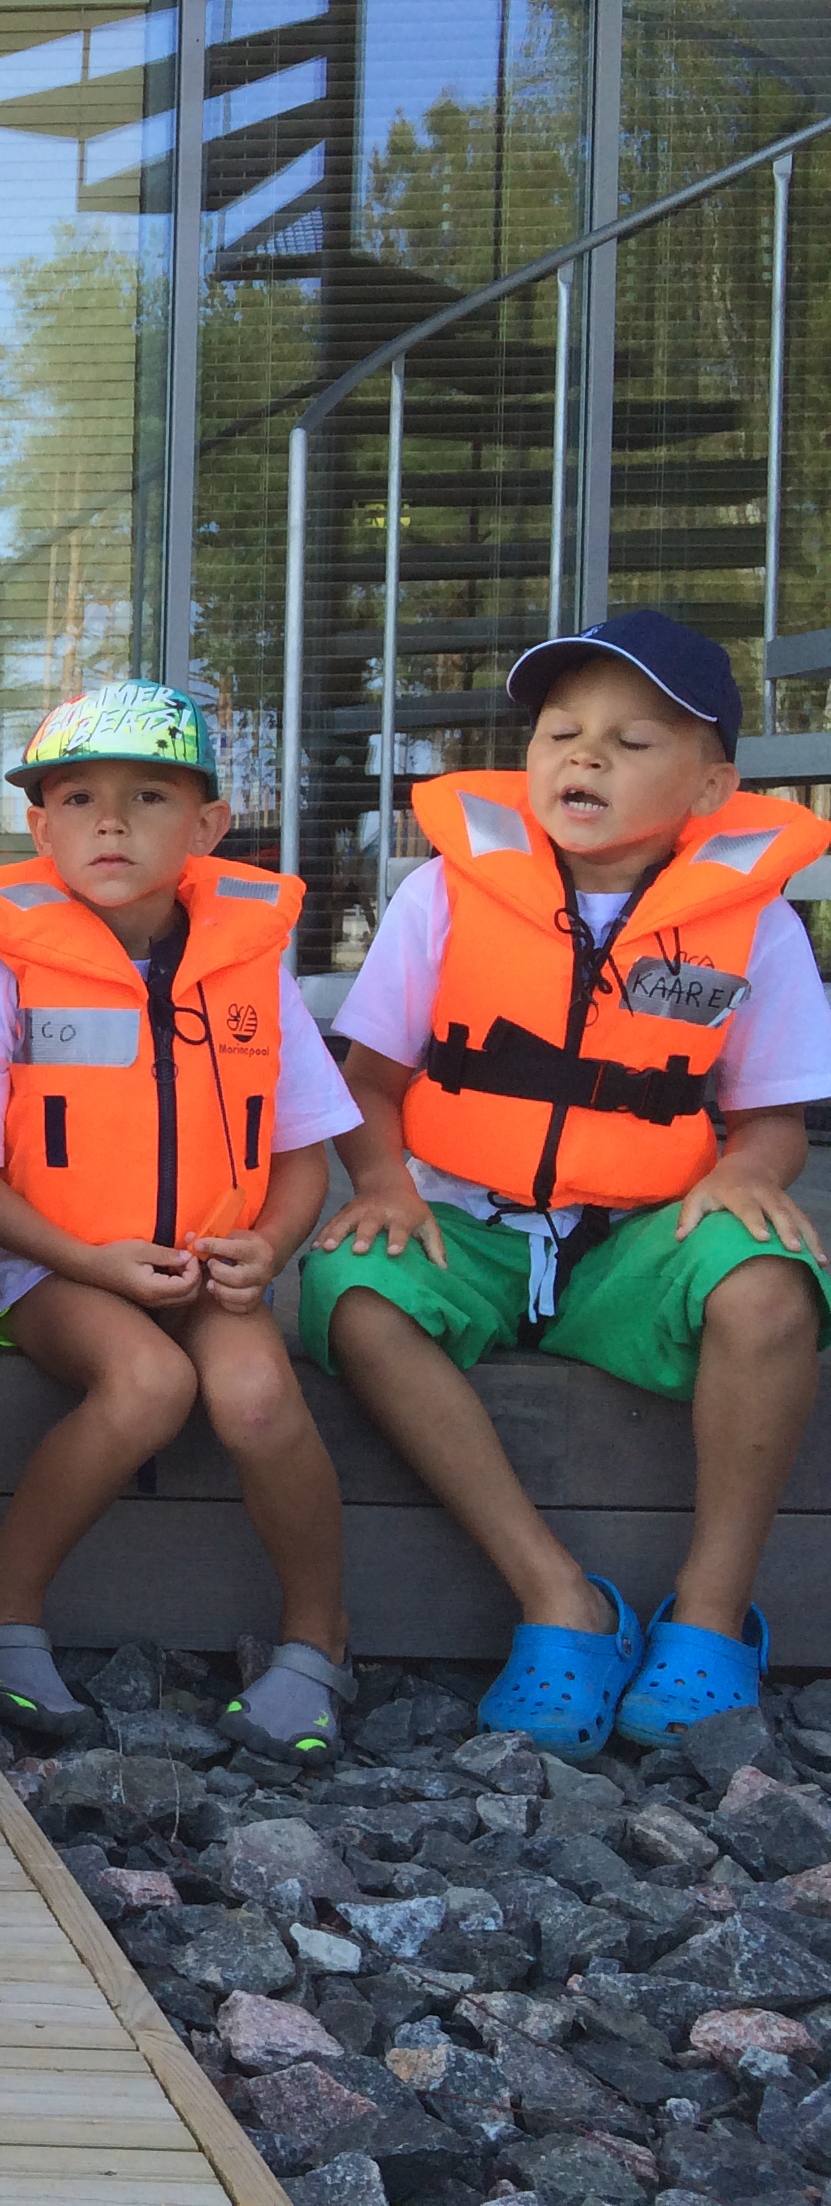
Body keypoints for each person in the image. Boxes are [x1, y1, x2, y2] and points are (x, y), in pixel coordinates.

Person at [310, 611, 831, 1760]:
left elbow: (772, 1121)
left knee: (773, 1287)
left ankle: (709, 1615)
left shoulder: (752, 924)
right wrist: (383, 1184)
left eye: (631, 741)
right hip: (468, 1222)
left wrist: (749, 1174)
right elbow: (371, 1083)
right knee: (352, 1295)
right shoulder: (443, 895)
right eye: (561, 732)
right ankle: (560, 1598)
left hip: (641, 1235)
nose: (585, 756)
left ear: (713, 787)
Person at [0, 682, 356, 1760]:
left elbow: (304, 1153)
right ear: (40, 828)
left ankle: (321, 1639)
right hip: (55, 1269)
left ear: (208, 825)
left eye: (148, 796)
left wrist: (269, 1247)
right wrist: (92, 1263)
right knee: (150, 1384)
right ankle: (5, 1607)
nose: (110, 822)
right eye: (78, 799)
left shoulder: (251, 972)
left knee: (257, 1397)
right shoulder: (2, 974)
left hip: (209, 1265)